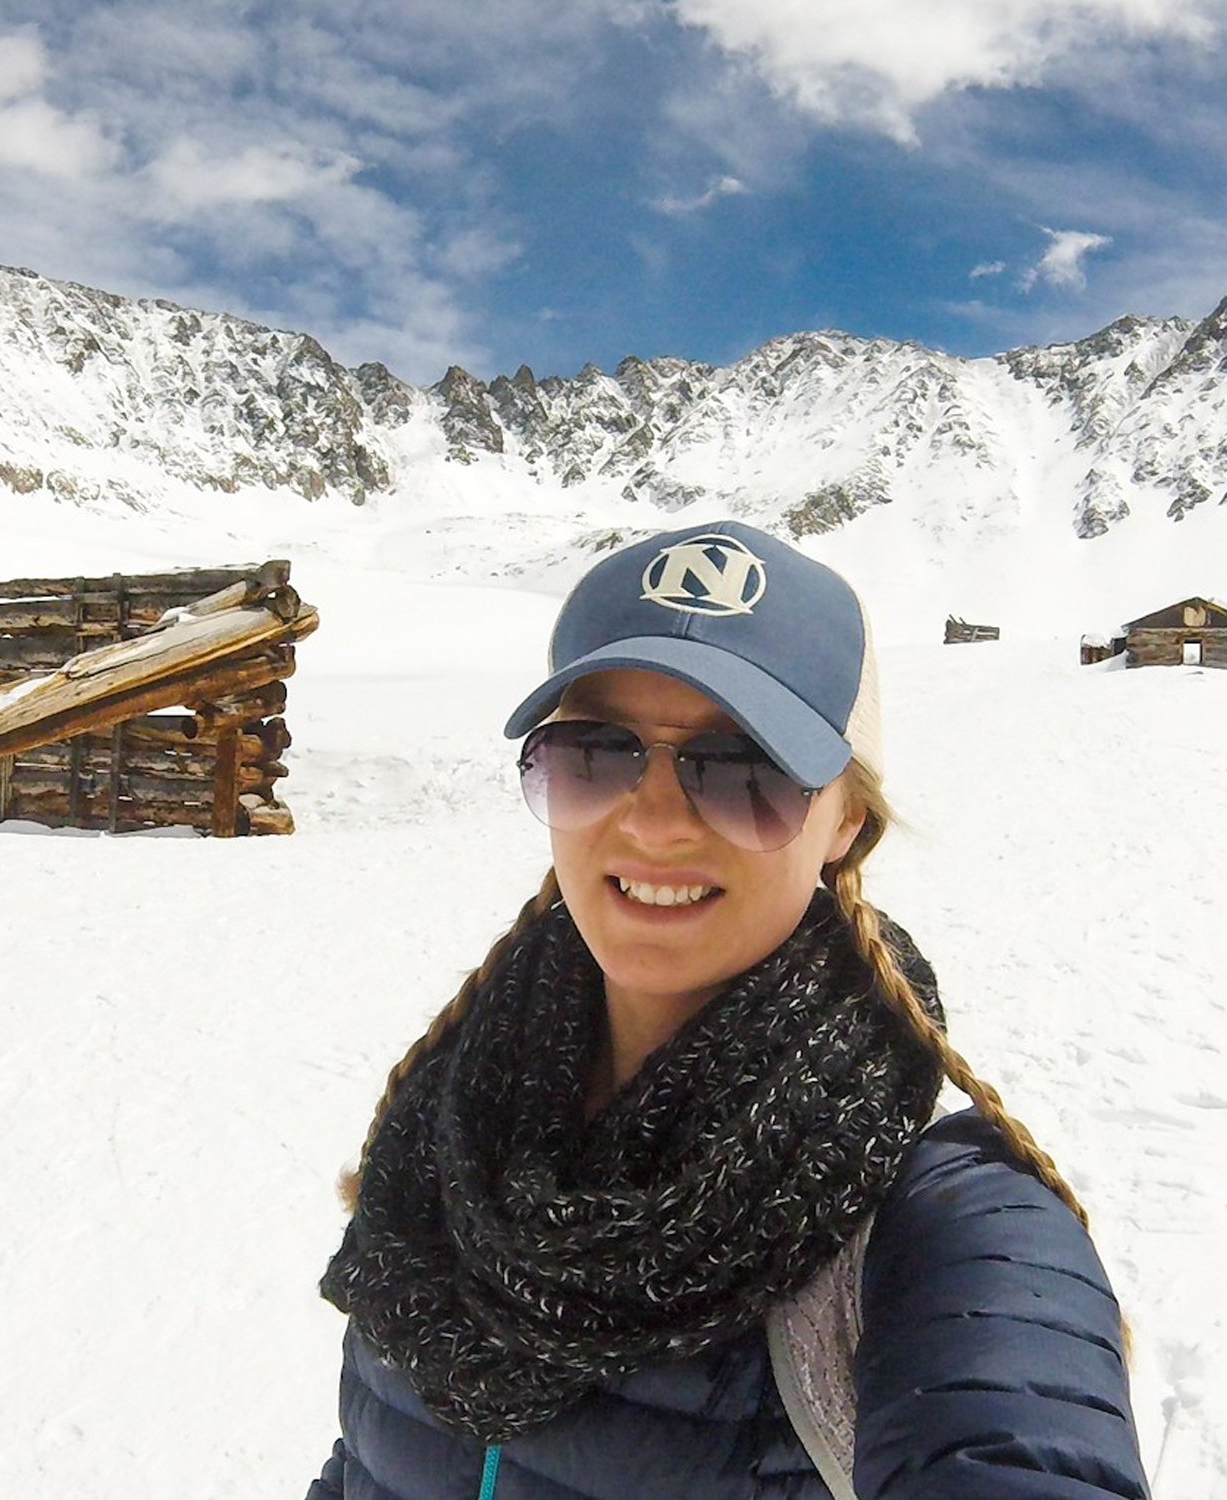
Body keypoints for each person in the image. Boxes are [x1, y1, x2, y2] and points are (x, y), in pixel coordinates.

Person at [309, 521, 1150, 1499]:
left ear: (848, 819)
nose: (655, 819)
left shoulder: (940, 1222)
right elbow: (370, 1463)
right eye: (597, 754)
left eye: (743, 768)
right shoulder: (448, 1127)